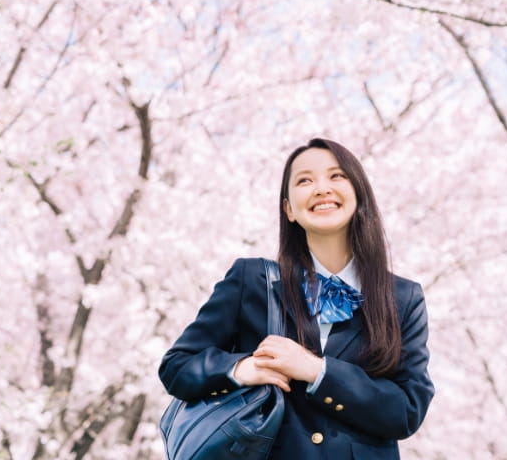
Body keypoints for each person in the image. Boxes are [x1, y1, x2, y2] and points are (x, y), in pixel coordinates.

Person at [158, 138, 434, 459]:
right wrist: (240, 369)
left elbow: (408, 410)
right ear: (289, 209)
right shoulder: (252, 280)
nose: (321, 188)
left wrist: (317, 371)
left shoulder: (403, 297)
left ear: (359, 195)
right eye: (304, 180)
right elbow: (176, 367)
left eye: (336, 176)